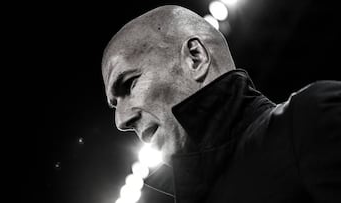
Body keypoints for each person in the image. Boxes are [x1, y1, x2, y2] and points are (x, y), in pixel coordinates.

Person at [101, 5, 341, 203]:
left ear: (195, 58)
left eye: (129, 84)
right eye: (114, 105)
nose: (121, 121)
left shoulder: (309, 120)